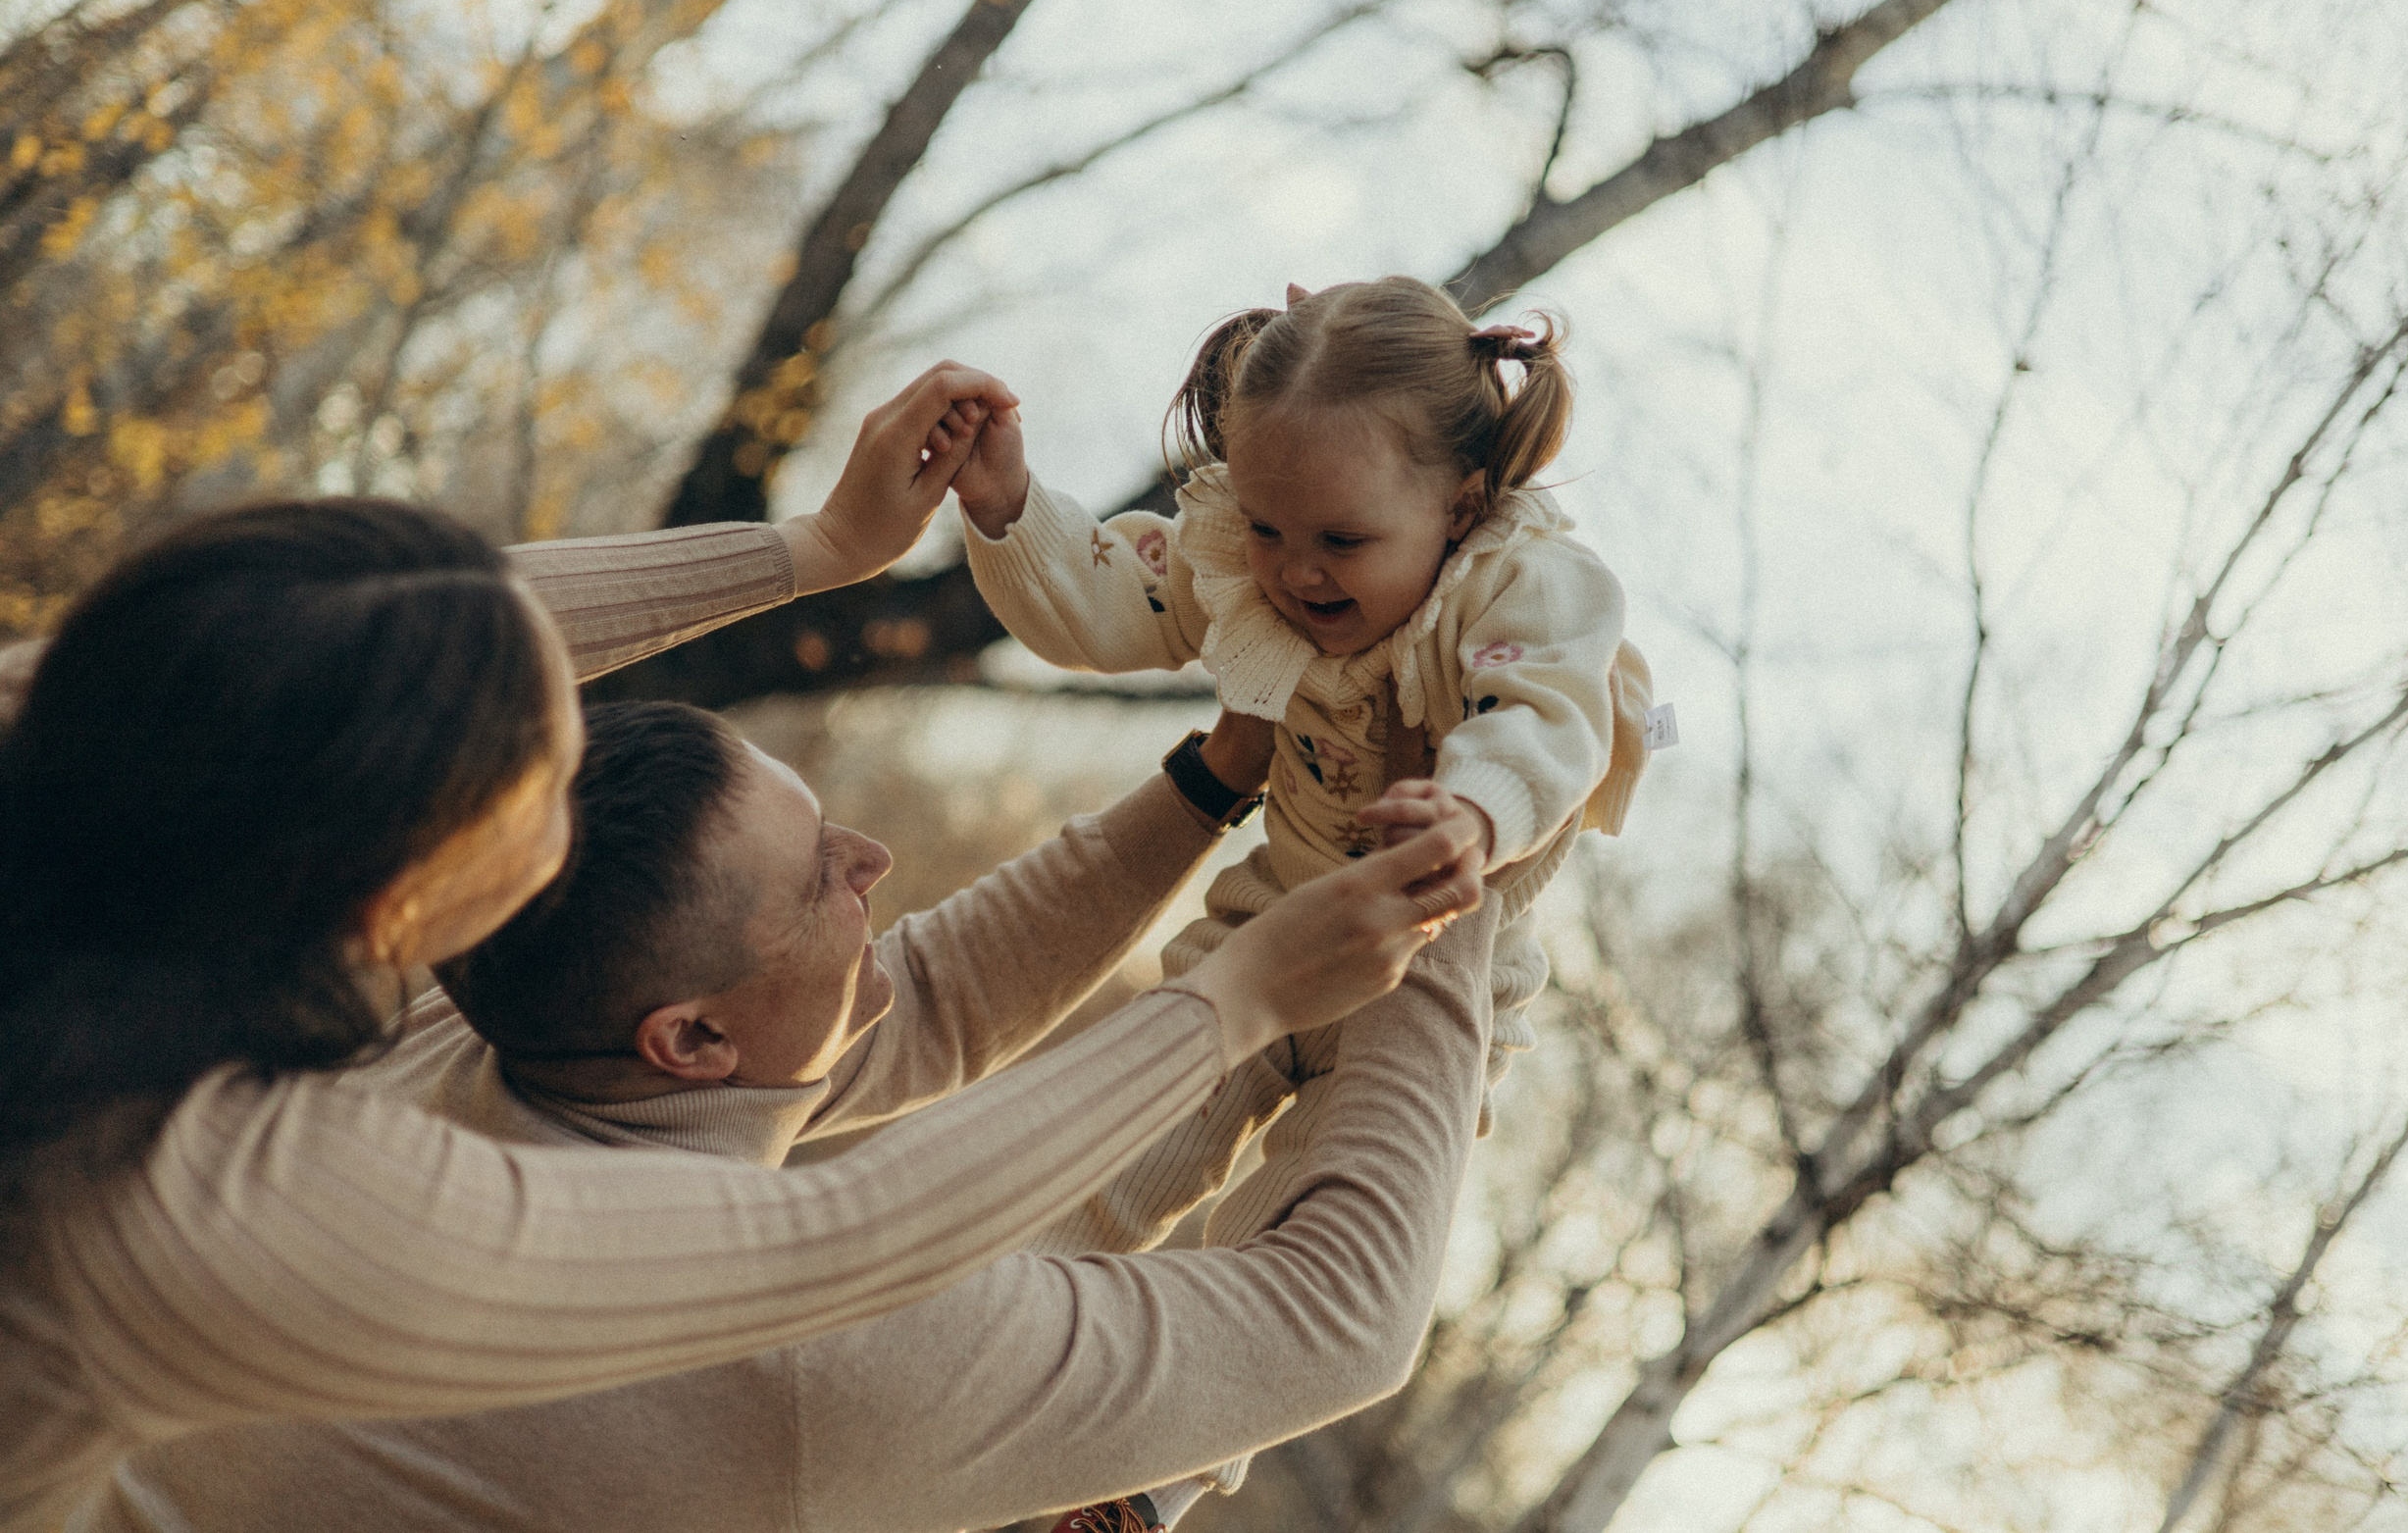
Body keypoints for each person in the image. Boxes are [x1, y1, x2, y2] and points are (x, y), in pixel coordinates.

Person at [0, 364, 1484, 1533]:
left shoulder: (311, 992)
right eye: (530, 782)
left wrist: (821, 551)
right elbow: (1324, 1316)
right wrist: (1408, 921)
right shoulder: (220, 1195)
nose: (571, 776)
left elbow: (341, 635)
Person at [83, 699, 1496, 1533]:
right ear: (691, 1036)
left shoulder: (467, 1020)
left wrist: (1214, 774)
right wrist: (1471, 897)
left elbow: (926, 993)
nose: (874, 858)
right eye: (826, 871)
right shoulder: (796, 1358)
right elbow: (1334, 1319)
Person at [951, 278, 1662, 1521]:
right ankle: (966, 1350)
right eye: (1272, 528)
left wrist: (1472, 811)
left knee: (1284, 1243)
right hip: (1267, 928)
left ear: (1462, 501)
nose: (1295, 573)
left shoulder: (1524, 586)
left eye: (1340, 541)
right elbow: (1114, 602)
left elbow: (1550, 720)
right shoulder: (1241, 554)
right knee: (1115, 1147)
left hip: (1424, 994)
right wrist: (1013, 510)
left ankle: (1133, 1495)